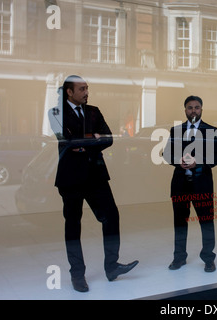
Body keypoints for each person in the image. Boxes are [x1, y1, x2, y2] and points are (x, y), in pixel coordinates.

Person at [49, 75, 138, 292]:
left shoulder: (94, 111)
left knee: (112, 216)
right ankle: (77, 275)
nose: (87, 92)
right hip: (70, 178)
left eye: (87, 88)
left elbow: (108, 138)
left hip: (95, 175)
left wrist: (84, 142)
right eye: (82, 89)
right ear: (69, 92)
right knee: (73, 225)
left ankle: (111, 266)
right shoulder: (56, 113)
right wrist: (92, 139)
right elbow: (68, 141)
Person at [163, 96, 217, 272]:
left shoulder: (210, 130)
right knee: (180, 222)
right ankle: (179, 257)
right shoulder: (176, 130)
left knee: (206, 221)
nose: (193, 110)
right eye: (190, 108)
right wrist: (177, 161)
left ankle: (208, 258)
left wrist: (199, 163)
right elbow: (167, 154)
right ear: (185, 110)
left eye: (197, 107)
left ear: (202, 109)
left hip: (202, 184)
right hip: (180, 184)